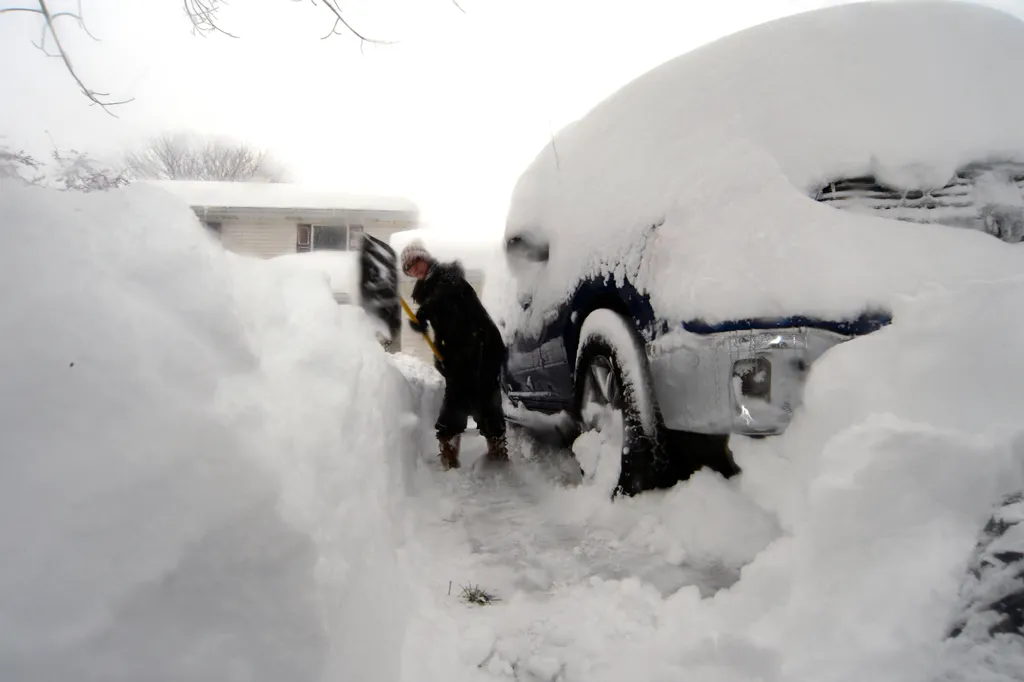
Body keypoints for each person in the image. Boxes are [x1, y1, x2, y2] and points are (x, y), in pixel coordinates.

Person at [401, 239, 508, 470]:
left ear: (425, 257)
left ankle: (497, 452)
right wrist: (441, 358)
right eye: (408, 268)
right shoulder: (429, 290)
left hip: (483, 345)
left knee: (484, 397)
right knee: (455, 399)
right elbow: (445, 329)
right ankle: (449, 453)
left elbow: (445, 295)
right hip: (460, 352)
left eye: (415, 262)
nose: (414, 269)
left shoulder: (449, 277)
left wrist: (425, 312)